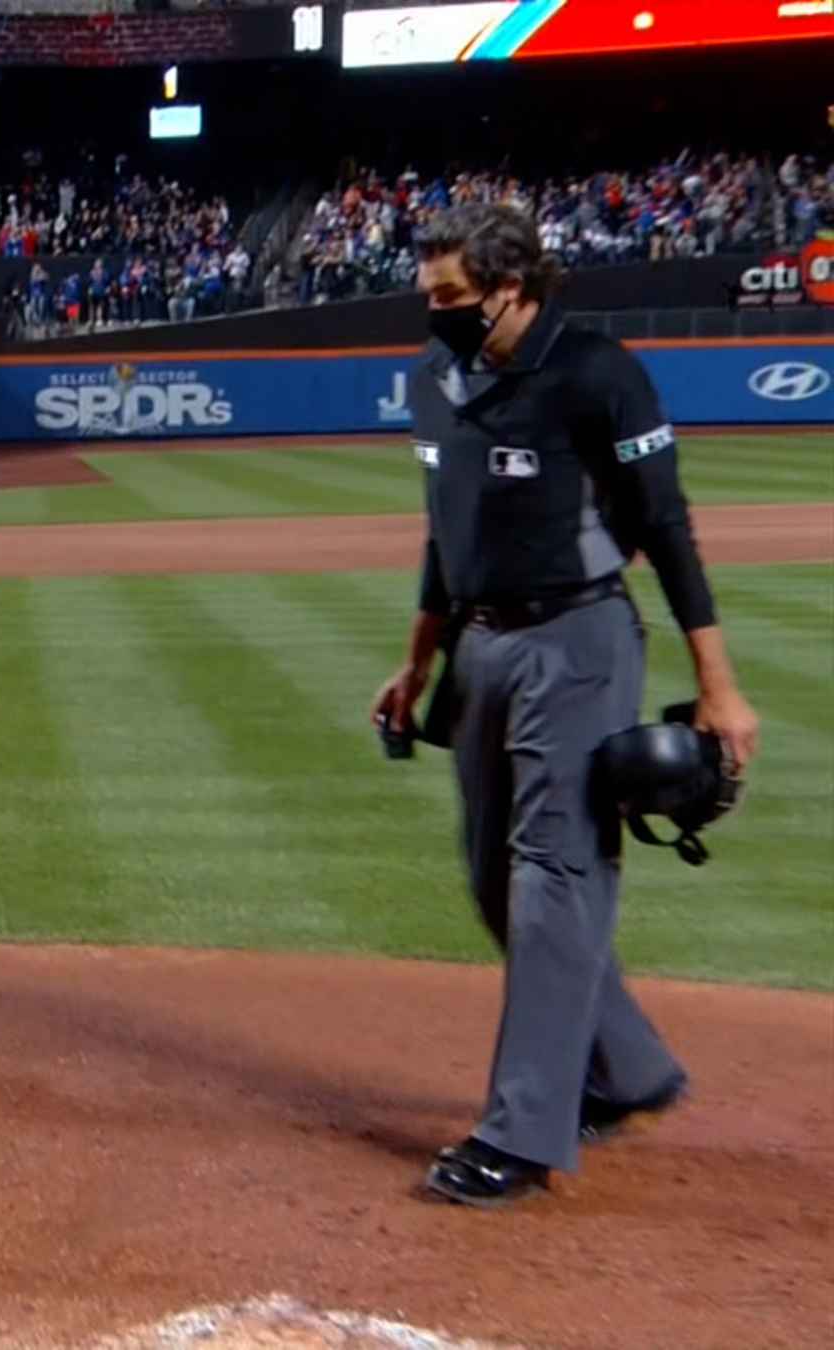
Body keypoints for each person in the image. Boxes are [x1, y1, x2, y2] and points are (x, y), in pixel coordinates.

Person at [369, 203, 762, 1208]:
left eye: (450, 296)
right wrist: (417, 667)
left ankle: (522, 1133)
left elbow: (665, 527)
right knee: (492, 879)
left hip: (578, 641)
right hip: (480, 647)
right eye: (429, 296)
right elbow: (441, 537)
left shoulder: (597, 373)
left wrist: (718, 685)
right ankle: (626, 1068)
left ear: (512, 287)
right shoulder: (437, 381)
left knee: (554, 874)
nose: (435, 312)